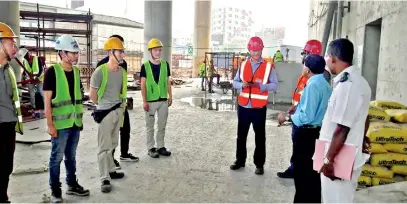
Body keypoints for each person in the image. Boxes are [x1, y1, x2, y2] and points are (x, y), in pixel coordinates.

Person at [319, 38, 371, 203]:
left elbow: (342, 127)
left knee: (335, 200)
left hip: (339, 158)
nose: (327, 61)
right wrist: (363, 136)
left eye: (327, 57)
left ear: (333, 57)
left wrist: (328, 160)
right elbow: (365, 116)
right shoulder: (357, 81)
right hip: (342, 152)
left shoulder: (348, 85)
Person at [278, 55, 332, 202]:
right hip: (318, 132)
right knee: (313, 175)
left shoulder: (313, 85)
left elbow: (307, 116)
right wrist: (297, 108)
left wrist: (287, 117)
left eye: (304, 65)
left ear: (307, 70)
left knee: (302, 175)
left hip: (307, 134)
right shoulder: (325, 84)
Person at [42, 34, 90, 203]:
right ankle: (55, 191)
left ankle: (72, 184)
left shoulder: (76, 72)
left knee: (71, 156)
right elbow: (47, 102)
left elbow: (76, 98)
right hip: (60, 125)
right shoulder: (51, 72)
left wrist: (80, 121)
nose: (76, 56)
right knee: (56, 158)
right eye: (73, 53)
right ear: (62, 53)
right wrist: (50, 125)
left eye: (77, 53)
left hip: (75, 123)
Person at [277, 39, 327, 179]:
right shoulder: (318, 79)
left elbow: (309, 114)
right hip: (302, 117)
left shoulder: (315, 83)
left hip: (306, 126)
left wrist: (287, 117)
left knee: (303, 159)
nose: (303, 57)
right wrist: (296, 107)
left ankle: (298, 172)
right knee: (301, 156)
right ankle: (297, 169)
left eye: (306, 54)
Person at [230, 36, 279, 175]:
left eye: (258, 50)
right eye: (253, 50)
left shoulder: (268, 66)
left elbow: (275, 84)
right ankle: (240, 161)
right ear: (249, 50)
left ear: (262, 50)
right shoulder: (243, 64)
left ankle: (259, 164)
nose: (256, 53)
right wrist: (241, 84)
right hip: (244, 106)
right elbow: (234, 82)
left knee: (260, 137)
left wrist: (263, 86)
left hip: (258, 108)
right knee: (241, 136)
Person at [90, 37, 127, 193]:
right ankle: (104, 178)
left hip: (118, 111)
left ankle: (111, 170)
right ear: (111, 52)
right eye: (120, 51)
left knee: (113, 144)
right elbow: (93, 96)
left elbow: (121, 92)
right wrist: (105, 105)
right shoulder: (100, 71)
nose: (123, 55)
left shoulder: (122, 72)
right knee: (103, 147)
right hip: (105, 113)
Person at [96, 35, 139, 170]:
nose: (122, 53)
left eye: (122, 48)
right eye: (119, 49)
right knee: (109, 135)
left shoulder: (123, 64)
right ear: (111, 49)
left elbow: (122, 83)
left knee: (125, 129)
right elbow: (96, 91)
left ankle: (124, 153)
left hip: (121, 103)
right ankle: (110, 161)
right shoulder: (101, 65)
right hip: (108, 107)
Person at [0, 22, 24, 204]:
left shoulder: (8, 70)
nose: (15, 48)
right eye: (11, 43)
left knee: (6, 166)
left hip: (8, 126)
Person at [140, 38, 172, 158]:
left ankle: (161, 146)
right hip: (150, 101)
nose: (158, 52)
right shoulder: (145, 66)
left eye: (159, 50)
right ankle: (151, 148)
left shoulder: (165, 65)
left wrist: (170, 96)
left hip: (163, 99)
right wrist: (144, 101)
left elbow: (168, 81)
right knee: (150, 126)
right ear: (150, 51)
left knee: (162, 125)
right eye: (156, 50)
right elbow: (143, 84)